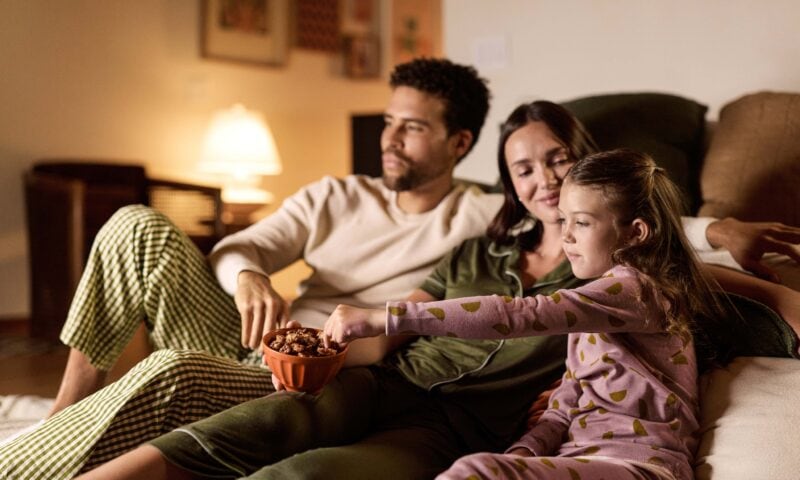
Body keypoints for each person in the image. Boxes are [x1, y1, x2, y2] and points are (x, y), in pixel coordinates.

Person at [73, 102, 800, 480]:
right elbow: (399, 334)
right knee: (249, 423)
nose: (543, 181)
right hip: (381, 381)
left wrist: (724, 230)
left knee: (307, 471)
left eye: (559, 162)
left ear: (586, 168)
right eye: (523, 170)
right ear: (505, 185)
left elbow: (662, 243)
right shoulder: (483, 239)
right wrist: (322, 349)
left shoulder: (613, 276)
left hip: (454, 429)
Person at [0, 58, 502, 479]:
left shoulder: (481, 217)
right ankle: (61, 416)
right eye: (390, 121)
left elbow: (557, 208)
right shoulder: (338, 195)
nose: (391, 139)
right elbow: (240, 248)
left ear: (459, 142)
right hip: (254, 340)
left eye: (412, 127)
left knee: (173, 371)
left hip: (310, 375)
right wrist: (250, 277)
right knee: (136, 225)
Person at [323, 148, 729, 480]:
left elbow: (518, 314)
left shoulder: (636, 291)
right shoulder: (599, 310)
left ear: (636, 233)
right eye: (564, 220)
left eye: (582, 223)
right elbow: (567, 401)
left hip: (639, 467)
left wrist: (387, 317)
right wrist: (522, 453)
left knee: (474, 471)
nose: (566, 234)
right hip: (580, 460)